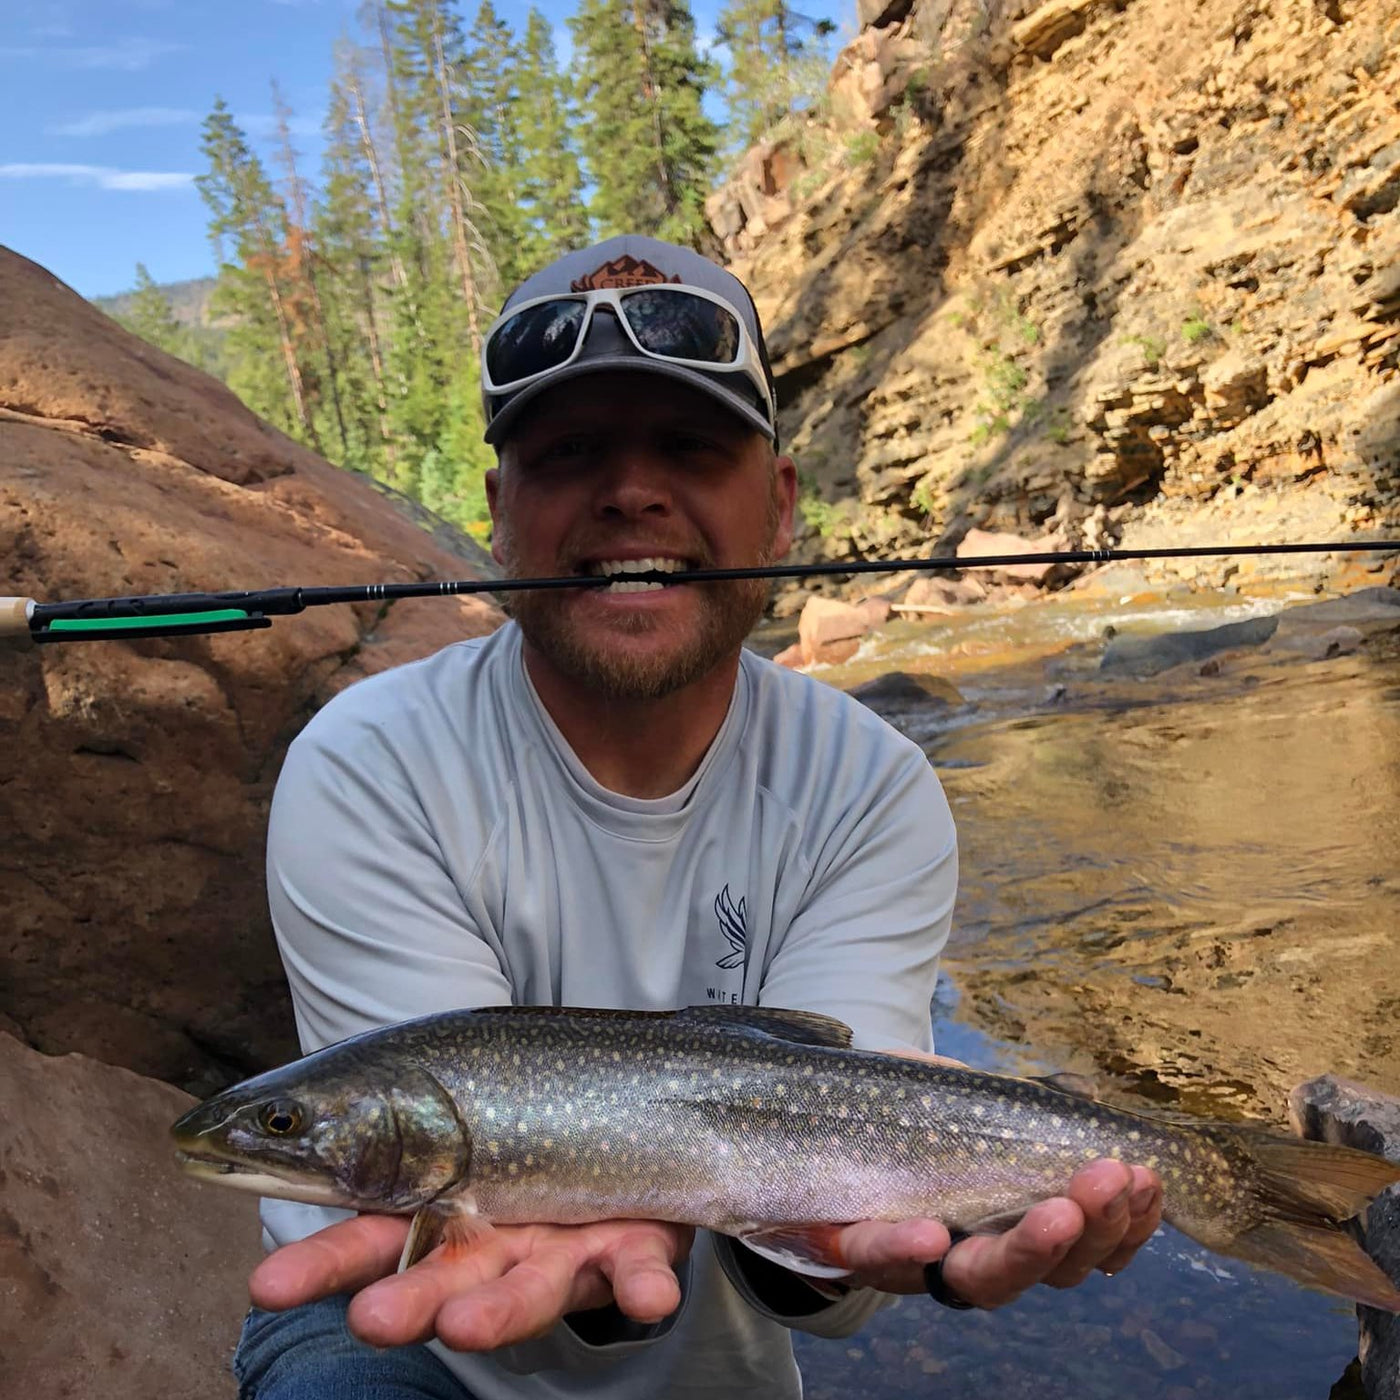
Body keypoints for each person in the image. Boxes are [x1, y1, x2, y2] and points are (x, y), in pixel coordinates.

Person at [234, 235, 1162, 1400]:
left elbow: (834, 1221)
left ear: (775, 507)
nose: (630, 490)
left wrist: (911, 1250)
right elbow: (431, 1179)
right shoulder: (369, 761)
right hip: (390, 1325)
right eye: (569, 451)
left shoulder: (866, 784)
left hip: (717, 1353)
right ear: (497, 518)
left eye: (688, 445)